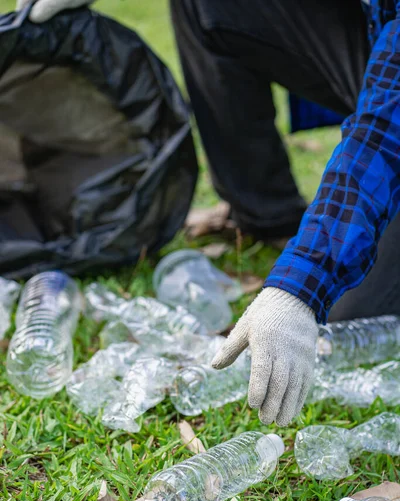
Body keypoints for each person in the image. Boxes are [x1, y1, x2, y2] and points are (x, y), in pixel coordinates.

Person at [16, 0, 400, 426]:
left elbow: (385, 134)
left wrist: (301, 287)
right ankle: (264, 216)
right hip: (379, 47)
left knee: (351, 322)